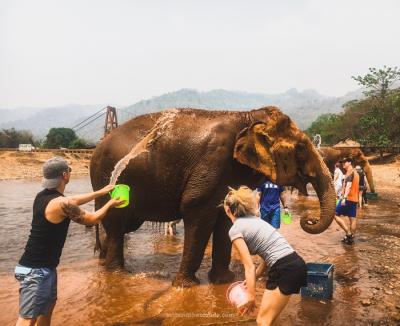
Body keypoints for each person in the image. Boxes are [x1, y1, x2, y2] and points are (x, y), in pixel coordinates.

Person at [15, 157, 125, 326]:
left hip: (42, 268)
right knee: (27, 319)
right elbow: (93, 219)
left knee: (46, 311)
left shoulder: (42, 197)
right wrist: (110, 203)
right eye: (69, 171)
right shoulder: (62, 203)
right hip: (36, 272)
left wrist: (101, 192)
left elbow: (74, 199)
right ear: (65, 175)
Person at [224, 186, 307, 326]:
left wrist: (251, 296)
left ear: (227, 210)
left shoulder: (235, 229)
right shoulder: (256, 220)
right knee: (271, 320)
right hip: (295, 264)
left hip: (284, 269)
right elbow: (266, 256)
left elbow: (249, 266)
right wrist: (255, 277)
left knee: (262, 321)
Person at [334, 157, 360, 245]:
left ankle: (348, 234)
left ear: (349, 163)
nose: (343, 164)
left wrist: (344, 198)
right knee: (352, 219)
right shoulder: (356, 173)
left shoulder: (350, 172)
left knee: (335, 214)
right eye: (342, 162)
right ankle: (351, 238)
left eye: (345, 162)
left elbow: (349, 185)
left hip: (348, 199)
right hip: (354, 199)